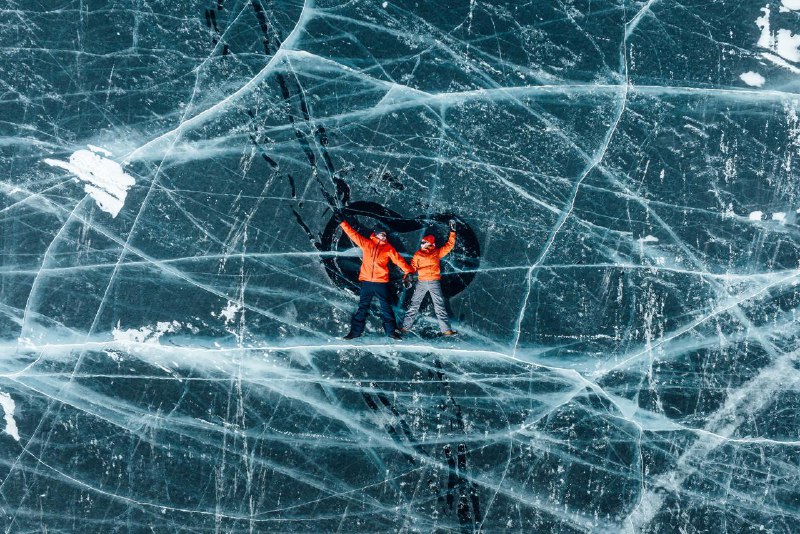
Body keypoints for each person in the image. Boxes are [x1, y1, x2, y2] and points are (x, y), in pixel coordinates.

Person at [334, 210, 412, 340]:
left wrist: (408, 271)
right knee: (362, 308)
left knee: (386, 308)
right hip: (367, 282)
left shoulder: (388, 248)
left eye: (385, 235)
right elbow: (353, 235)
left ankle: (391, 332)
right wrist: (342, 222)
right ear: (376, 235)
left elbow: (399, 260)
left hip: (381, 282)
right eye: (382, 235)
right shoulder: (367, 244)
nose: (384, 237)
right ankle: (355, 332)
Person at [401, 219, 458, 336]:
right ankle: (405, 328)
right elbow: (412, 268)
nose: (422, 243)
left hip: (434, 282)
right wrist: (407, 277)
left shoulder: (437, 253)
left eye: (424, 242)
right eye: (422, 242)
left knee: (439, 306)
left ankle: (446, 330)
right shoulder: (418, 254)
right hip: (421, 282)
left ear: (430, 243)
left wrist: (453, 231)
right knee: (414, 305)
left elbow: (449, 245)